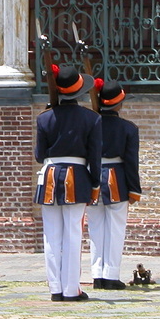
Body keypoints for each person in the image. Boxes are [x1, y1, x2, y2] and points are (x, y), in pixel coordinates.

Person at [34, 64, 102, 302]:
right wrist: (95, 184)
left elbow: (39, 155)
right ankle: (71, 289)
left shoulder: (44, 118)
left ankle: (55, 289)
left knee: (51, 237)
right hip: (77, 176)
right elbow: (94, 157)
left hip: (50, 176)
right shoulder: (92, 118)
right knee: (73, 235)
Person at [85, 80, 142, 290]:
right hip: (116, 178)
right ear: (119, 104)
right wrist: (135, 189)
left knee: (95, 230)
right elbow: (131, 162)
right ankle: (110, 275)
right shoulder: (128, 128)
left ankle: (97, 275)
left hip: (93, 178)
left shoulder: (90, 123)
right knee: (115, 230)